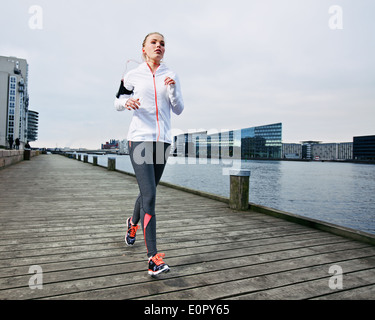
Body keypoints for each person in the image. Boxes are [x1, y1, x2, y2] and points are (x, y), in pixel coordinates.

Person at [114, 32, 184, 277]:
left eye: (163, 43)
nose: (159, 46)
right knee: (151, 195)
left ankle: (132, 225)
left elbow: (179, 108)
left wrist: (173, 90)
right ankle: (153, 258)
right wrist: (127, 103)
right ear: (143, 48)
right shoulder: (133, 74)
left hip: (163, 142)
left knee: (147, 190)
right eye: (154, 42)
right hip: (140, 139)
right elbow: (117, 101)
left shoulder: (171, 74)